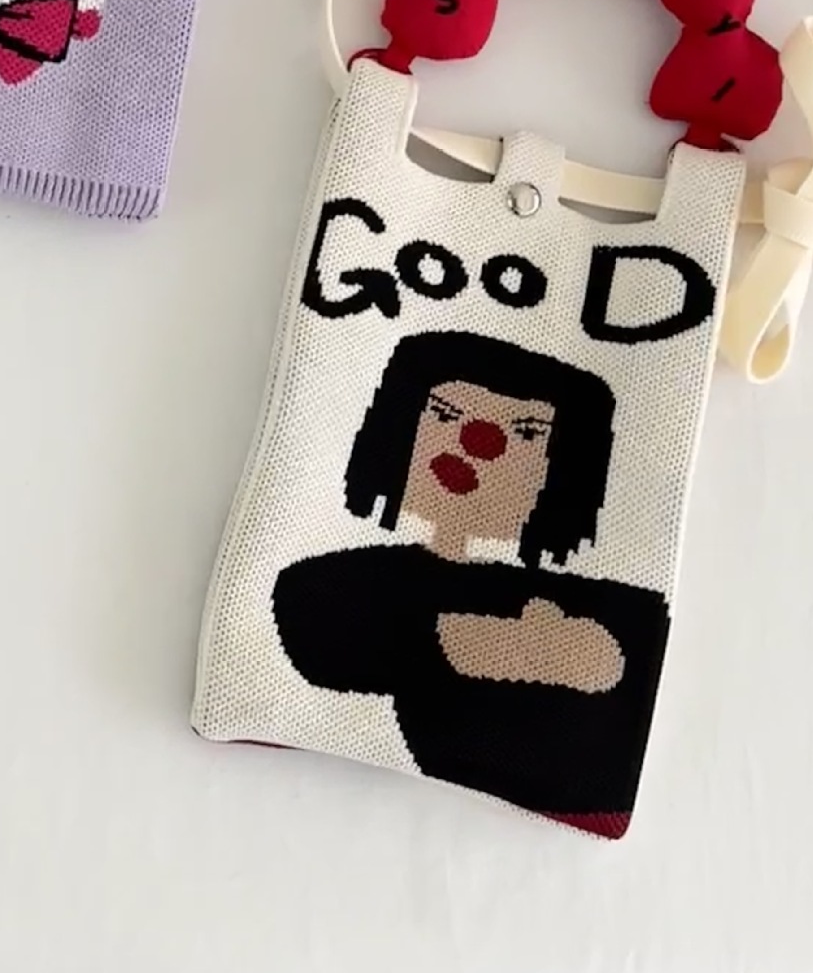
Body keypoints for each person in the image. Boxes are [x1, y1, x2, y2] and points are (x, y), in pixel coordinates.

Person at [271, 329, 670, 832]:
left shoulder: (621, 603)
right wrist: (502, 642)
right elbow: (327, 647)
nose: (479, 442)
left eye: (527, 434)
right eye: (444, 415)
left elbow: (619, 662)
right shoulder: (339, 584)